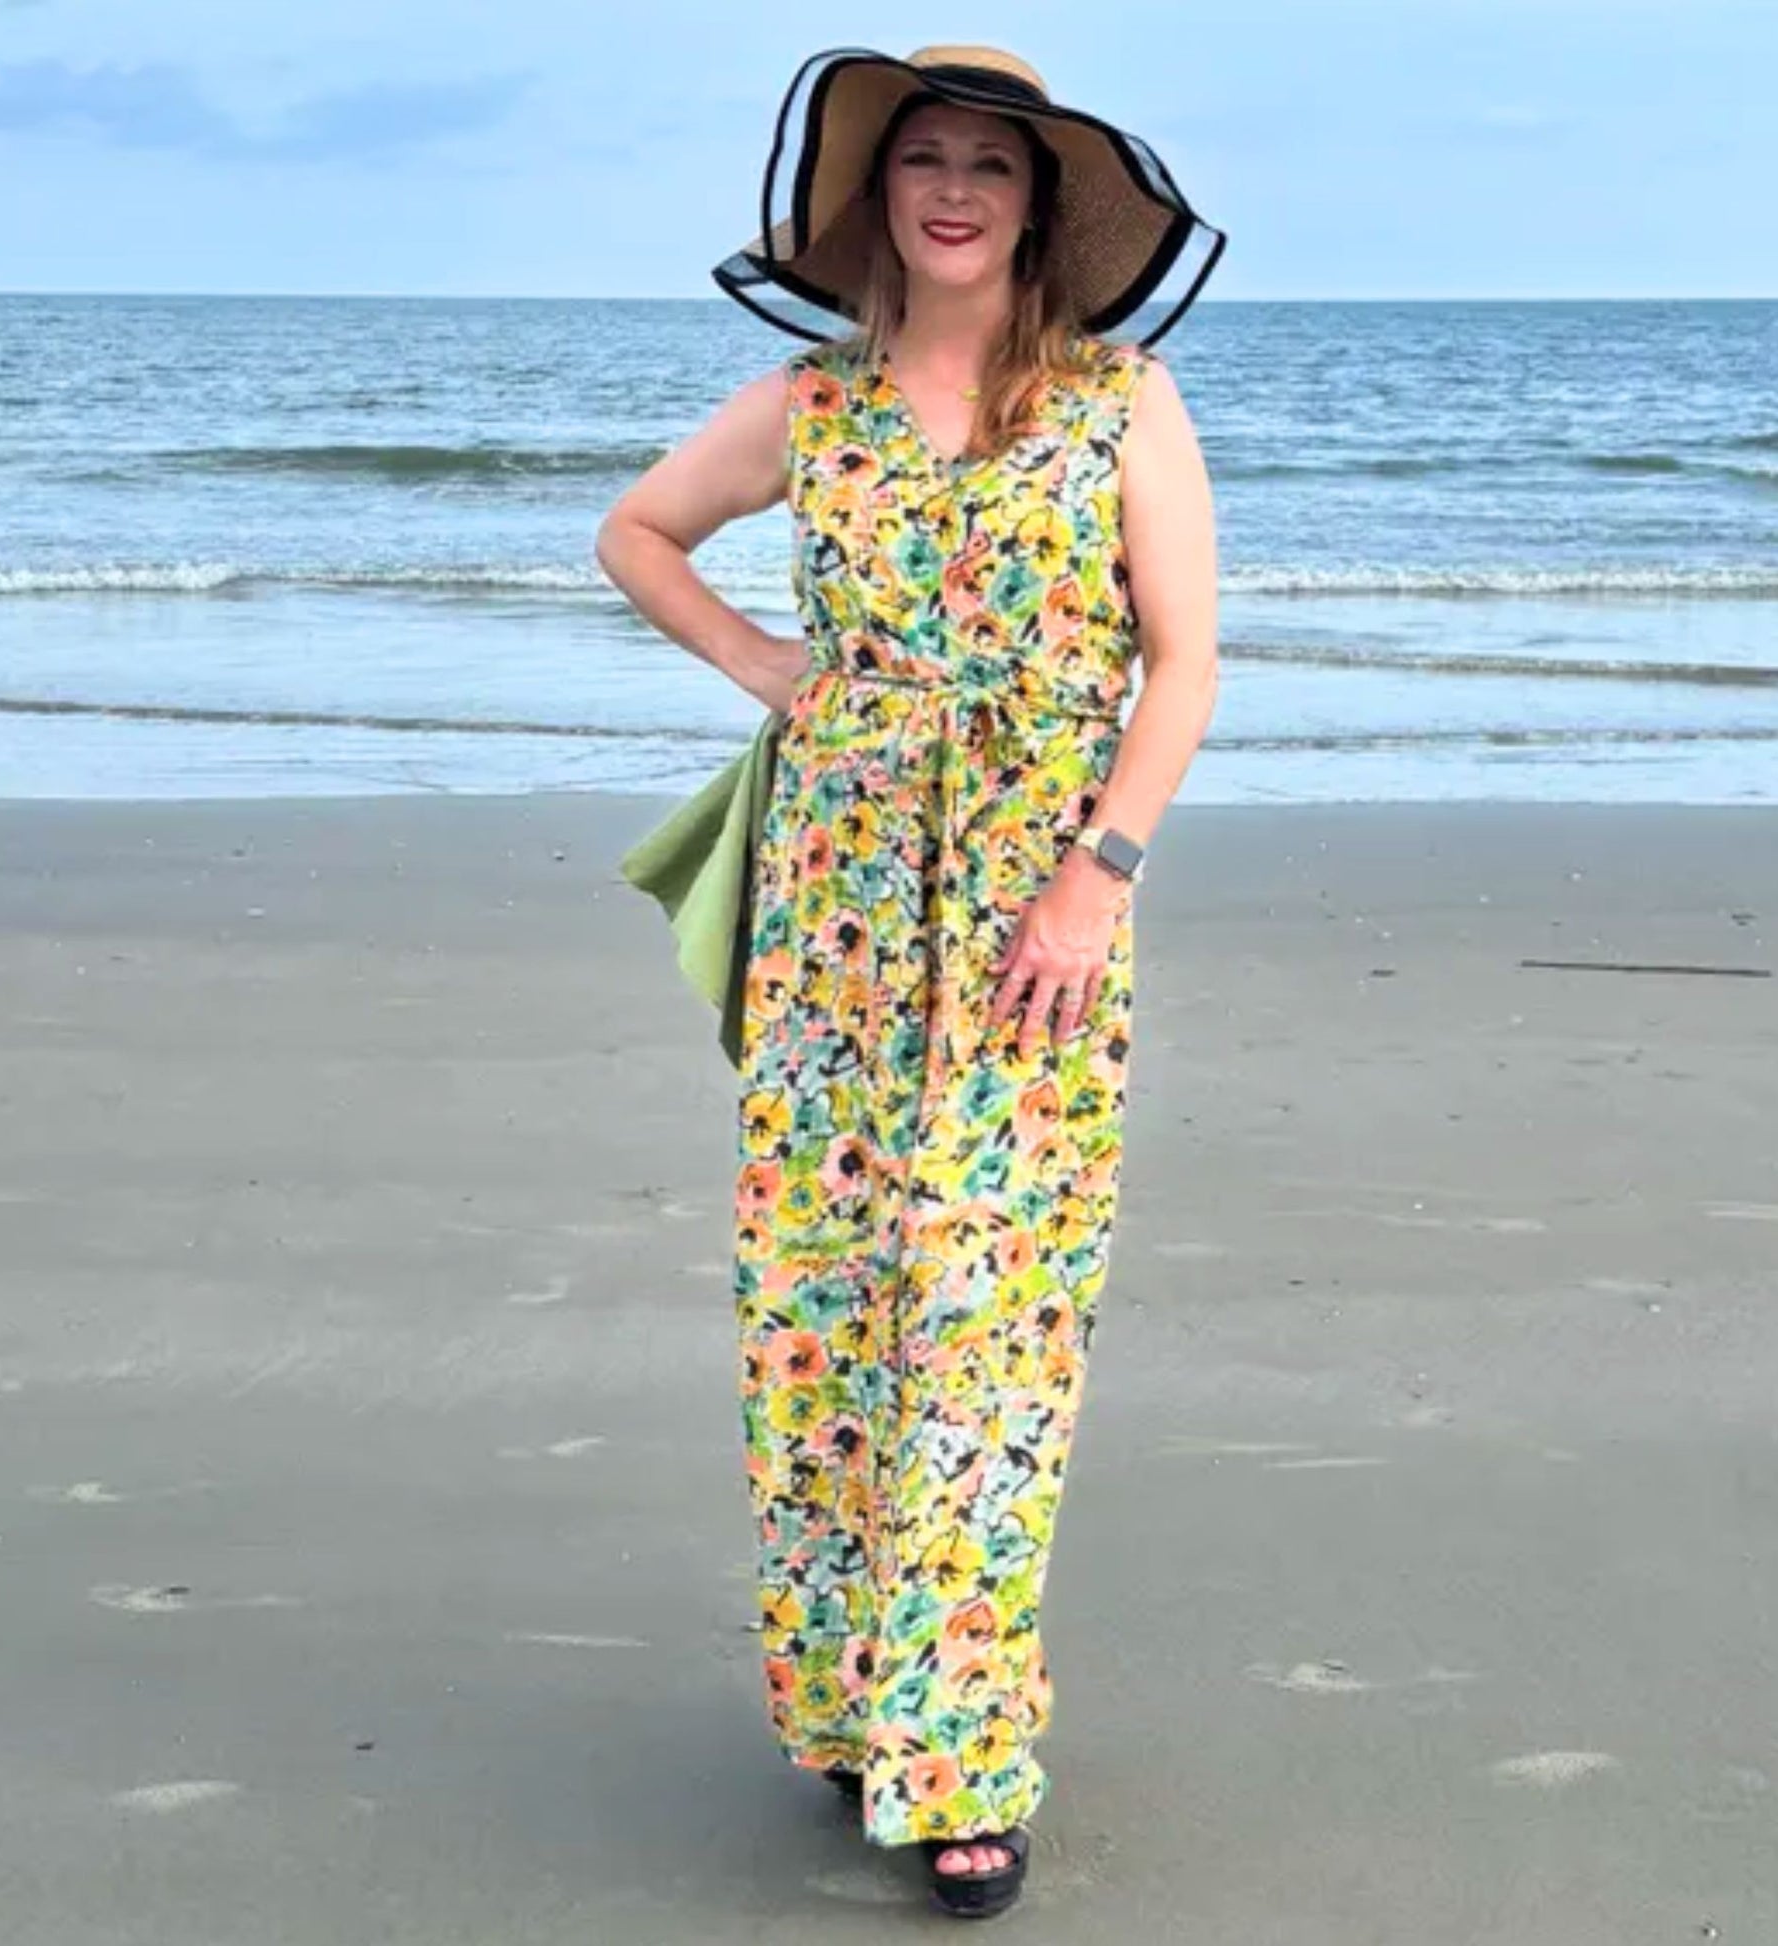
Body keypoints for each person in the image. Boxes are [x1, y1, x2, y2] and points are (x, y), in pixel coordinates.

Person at [597, 43, 1224, 1920]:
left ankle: (963, 1749)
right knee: (829, 1309)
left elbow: (1183, 664)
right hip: (839, 919)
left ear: (1040, 210)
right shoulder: (813, 404)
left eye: (989, 166)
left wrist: (1094, 879)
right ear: (879, 200)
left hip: (1040, 927)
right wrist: (773, 668)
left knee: (986, 1324)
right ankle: (864, 1698)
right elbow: (635, 532)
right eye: (920, 161)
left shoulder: (1121, 404)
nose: (951, 189)